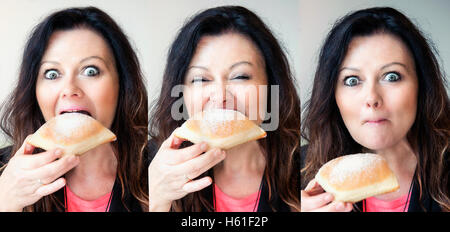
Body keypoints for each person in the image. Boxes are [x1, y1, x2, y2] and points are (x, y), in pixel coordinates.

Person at [148, 5, 300, 212]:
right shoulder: (149, 165)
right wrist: (158, 201)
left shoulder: (303, 170)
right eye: (201, 79)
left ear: (271, 86)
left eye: (240, 76)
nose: (220, 97)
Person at [300, 7, 450, 212]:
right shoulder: (297, 176)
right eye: (352, 80)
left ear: (421, 86)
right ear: (332, 95)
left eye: (391, 76)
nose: (372, 98)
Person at [0, 7, 148, 212]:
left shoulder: (160, 168)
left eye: (90, 71)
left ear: (122, 85)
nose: (70, 89)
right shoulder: (4, 176)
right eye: (52, 74)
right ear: (33, 90)